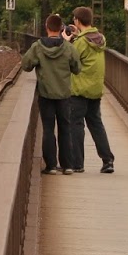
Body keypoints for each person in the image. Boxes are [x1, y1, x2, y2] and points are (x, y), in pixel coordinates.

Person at [21, 13, 81, 174]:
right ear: (61, 28)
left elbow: (26, 65)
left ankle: (51, 166)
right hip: (64, 95)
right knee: (65, 128)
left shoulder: (38, 46)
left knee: (48, 129)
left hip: (46, 94)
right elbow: (77, 68)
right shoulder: (68, 47)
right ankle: (67, 165)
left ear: (46, 27)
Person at [66, 5, 115, 173]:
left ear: (77, 21)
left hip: (80, 90)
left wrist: (68, 41)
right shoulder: (100, 38)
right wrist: (77, 36)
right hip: (95, 89)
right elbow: (87, 47)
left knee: (76, 125)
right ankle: (108, 160)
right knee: (96, 124)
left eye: (74, 19)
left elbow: (70, 59)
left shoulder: (80, 42)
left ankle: (77, 163)